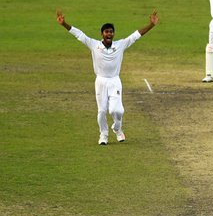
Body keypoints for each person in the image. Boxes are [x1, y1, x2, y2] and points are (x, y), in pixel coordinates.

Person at [56, 9, 159, 145]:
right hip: (100, 81)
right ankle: (103, 135)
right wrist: (64, 24)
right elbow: (79, 34)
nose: (109, 34)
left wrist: (151, 25)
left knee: (117, 110)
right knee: (102, 111)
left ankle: (117, 128)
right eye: (106, 32)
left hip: (115, 80)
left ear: (113, 34)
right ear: (102, 34)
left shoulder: (120, 45)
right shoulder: (94, 44)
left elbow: (135, 35)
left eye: (111, 32)